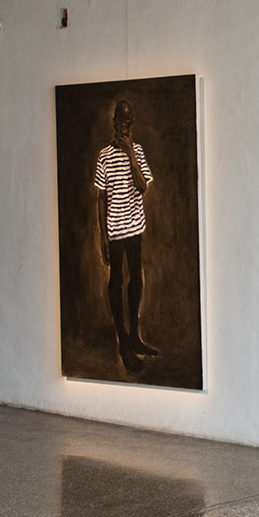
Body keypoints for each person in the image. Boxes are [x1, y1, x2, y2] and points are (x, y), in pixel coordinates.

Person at [95, 99, 155, 372]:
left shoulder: (138, 151)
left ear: (132, 125)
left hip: (135, 226)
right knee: (116, 279)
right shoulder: (104, 155)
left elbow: (142, 187)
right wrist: (103, 237)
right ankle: (123, 343)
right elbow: (101, 197)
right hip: (115, 229)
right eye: (120, 123)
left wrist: (131, 153)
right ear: (114, 123)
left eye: (128, 124)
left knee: (136, 279)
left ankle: (134, 337)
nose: (124, 129)